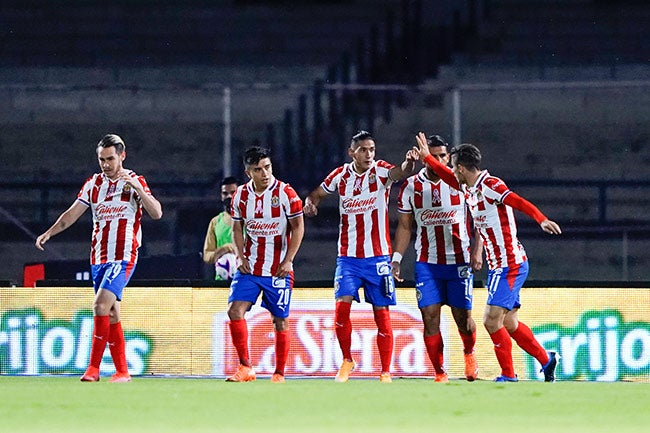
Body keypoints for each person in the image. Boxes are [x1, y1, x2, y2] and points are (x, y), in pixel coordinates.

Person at [413, 132, 561, 382]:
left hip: (509, 265)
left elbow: (519, 202)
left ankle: (508, 374)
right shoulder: (467, 187)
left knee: (491, 321)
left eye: (453, 166)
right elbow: (447, 176)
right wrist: (427, 157)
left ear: (461, 167)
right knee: (510, 323)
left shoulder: (491, 185)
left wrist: (541, 219)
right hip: (498, 266)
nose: (451, 170)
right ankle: (547, 361)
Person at [35, 134, 163, 383]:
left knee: (99, 306)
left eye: (110, 159)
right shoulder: (93, 184)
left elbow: (156, 212)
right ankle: (123, 372)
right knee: (112, 313)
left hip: (124, 256)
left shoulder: (135, 181)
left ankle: (93, 369)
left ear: (122, 156)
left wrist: (138, 190)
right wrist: (49, 232)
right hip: (98, 258)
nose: (105, 164)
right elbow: (71, 215)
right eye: (102, 159)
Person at [303, 130, 419, 383]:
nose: (369, 154)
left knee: (382, 314)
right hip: (348, 258)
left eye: (372, 150)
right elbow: (317, 193)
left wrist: (410, 162)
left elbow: (400, 172)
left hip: (377, 258)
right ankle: (347, 360)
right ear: (352, 152)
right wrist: (311, 202)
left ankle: (385, 371)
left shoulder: (380, 172)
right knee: (341, 310)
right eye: (364, 150)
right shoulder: (340, 175)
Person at [392, 134, 482, 383]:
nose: (440, 160)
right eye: (434, 155)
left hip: (459, 261)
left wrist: (477, 249)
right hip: (427, 263)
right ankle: (440, 372)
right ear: (424, 158)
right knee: (430, 316)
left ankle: (468, 352)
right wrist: (397, 258)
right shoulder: (411, 187)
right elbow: (405, 226)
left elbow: (482, 216)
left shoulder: (459, 183)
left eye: (444, 156)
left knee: (463, 319)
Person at [226, 146, 304, 383]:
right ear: (248, 172)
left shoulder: (286, 193)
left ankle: (279, 373)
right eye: (258, 169)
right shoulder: (240, 196)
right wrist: (240, 257)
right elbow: (237, 228)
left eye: (267, 167)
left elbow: (298, 227)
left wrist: (289, 260)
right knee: (234, 311)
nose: (265, 173)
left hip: (277, 270)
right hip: (250, 268)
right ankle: (245, 367)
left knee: (280, 320)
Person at [202, 176, 239, 280]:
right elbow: (207, 256)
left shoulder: (251, 221)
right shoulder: (215, 222)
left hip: (246, 282)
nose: (229, 196)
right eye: (225, 193)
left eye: (233, 193)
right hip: (220, 282)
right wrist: (221, 251)